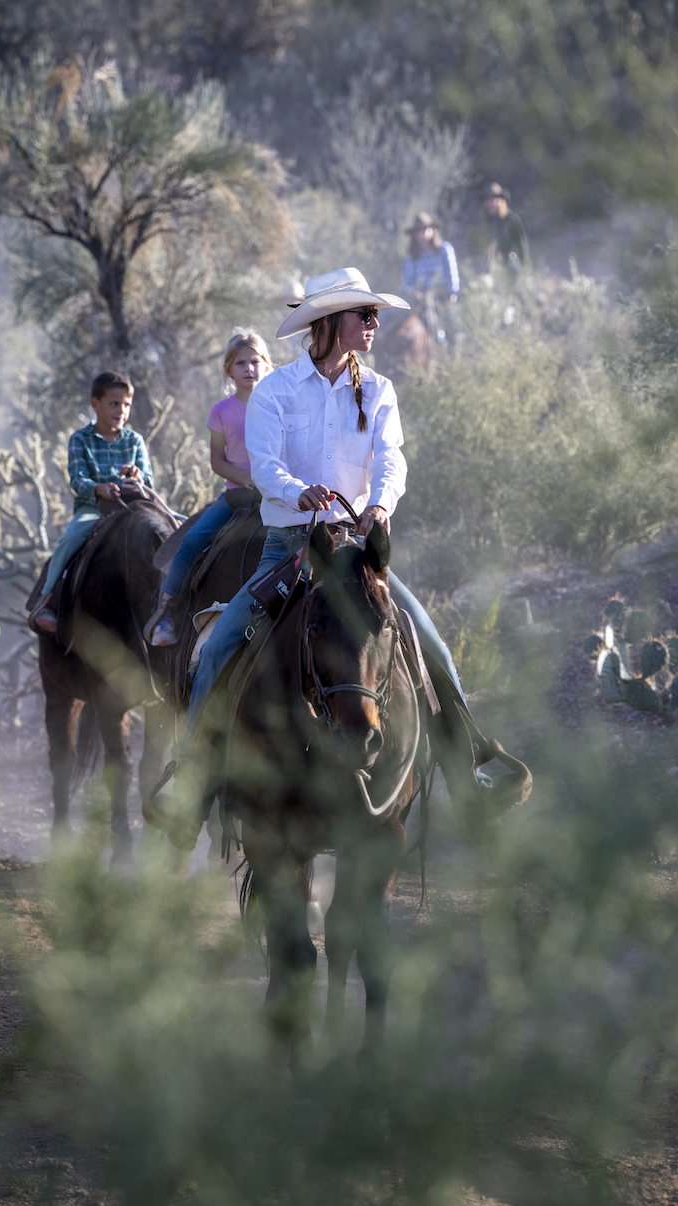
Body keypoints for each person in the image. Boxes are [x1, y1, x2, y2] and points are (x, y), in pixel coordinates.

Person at [150, 267, 491, 850]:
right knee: (220, 646)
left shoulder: (378, 390)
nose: (375, 324)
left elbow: (392, 460)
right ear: (330, 323)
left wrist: (380, 506)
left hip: (358, 550)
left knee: (425, 636)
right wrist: (295, 491)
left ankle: (472, 769)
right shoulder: (278, 391)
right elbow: (263, 463)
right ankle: (191, 778)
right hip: (291, 546)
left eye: (373, 314)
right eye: (365, 314)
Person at [146, 329, 271, 646]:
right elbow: (218, 462)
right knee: (192, 540)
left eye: (255, 361)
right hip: (236, 497)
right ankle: (167, 612)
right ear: (229, 370)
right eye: (241, 363)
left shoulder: (277, 405)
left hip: (275, 497)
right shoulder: (222, 412)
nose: (249, 368)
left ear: (266, 365)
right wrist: (247, 479)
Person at [29, 371, 152, 634]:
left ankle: (171, 604)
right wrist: (99, 488)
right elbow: (77, 479)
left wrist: (137, 477)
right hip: (93, 509)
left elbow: (149, 480)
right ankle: (47, 600)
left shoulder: (135, 441)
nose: (121, 410)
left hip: (133, 510)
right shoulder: (80, 439)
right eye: (114, 404)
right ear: (95, 405)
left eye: (126, 405)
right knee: (71, 539)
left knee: (177, 528)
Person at [401, 212, 460, 341]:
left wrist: (451, 295)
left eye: (425, 230)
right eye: (418, 231)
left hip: (444, 296)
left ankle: (456, 347)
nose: (422, 234)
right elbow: (407, 282)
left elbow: (452, 274)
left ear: (432, 230)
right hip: (421, 299)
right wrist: (414, 292)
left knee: (453, 327)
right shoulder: (412, 256)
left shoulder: (444, 249)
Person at [474, 182, 531, 280]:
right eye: (489, 199)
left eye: (495, 199)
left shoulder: (512, 220)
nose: (492, 202)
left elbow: (522, 246)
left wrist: (524, 271)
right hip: (491, 270)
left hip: (510, 269)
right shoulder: (484, 224)